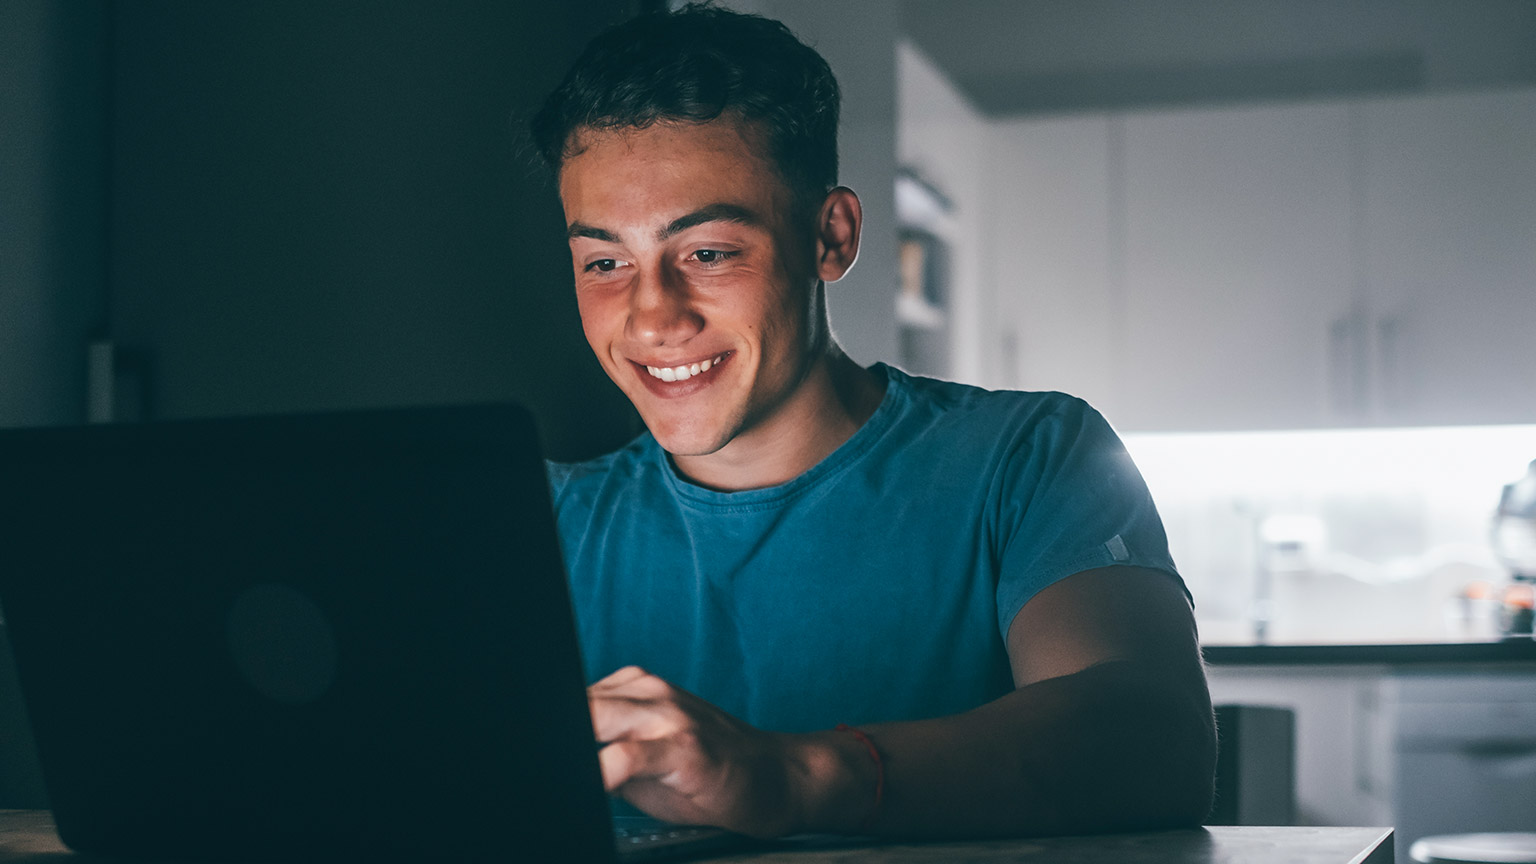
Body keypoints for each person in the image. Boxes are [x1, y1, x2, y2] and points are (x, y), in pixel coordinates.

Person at [530, 3, 1215, 841]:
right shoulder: (541, 522)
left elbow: (1157, 741)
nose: (652, 316)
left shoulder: (1031, 459)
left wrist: (791, 779)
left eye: (708, 252)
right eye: (605, 263)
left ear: (832, 235)